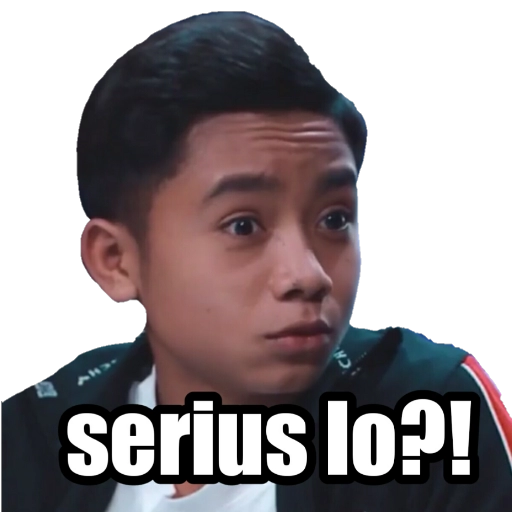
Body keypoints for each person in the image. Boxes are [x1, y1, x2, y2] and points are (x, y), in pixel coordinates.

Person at [1, 11, 510, 512]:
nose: (308, 275)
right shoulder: (32, 437)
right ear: (116, 260)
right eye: (243, 225)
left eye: (334, 219)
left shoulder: (425, 419)